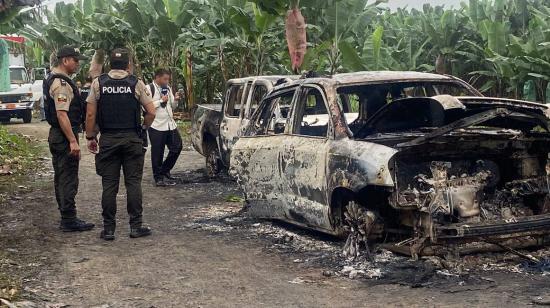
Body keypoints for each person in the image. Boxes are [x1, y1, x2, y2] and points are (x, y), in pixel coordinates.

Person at [85, 48, 156, 241]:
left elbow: (90, 113)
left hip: (108, 139)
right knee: (133, 183)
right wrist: (143, 128)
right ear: (128, 65)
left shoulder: (98, 83)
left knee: (109, 184)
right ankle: (135, 226)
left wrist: (91, 137)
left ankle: (109, 230)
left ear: (110, 64)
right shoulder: (136, 83)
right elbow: (151, 111)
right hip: (132, 139)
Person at [43, 45, 95, 232]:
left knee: (62, 175)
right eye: (75, 60)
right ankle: (68, 219)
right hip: (64, 135)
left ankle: (67, 215)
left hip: (59, 135)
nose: (77, 64)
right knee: (67, 176)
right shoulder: (61, 84)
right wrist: (73, 141)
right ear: (65, 60)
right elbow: (62, 115)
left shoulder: (55, 79)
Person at [148, 68, 183, 187]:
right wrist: (159, 101)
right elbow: (145, 106)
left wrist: (176, 100)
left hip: (170, 124)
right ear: (157, 77)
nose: (167, 81)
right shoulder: (149, 89)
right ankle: (158, 177)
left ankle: (165, 169)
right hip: (156, 125)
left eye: (168, 79)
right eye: (165, 79)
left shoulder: (167, 88)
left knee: (177, 146)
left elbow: (172, 105)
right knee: (158, 152)